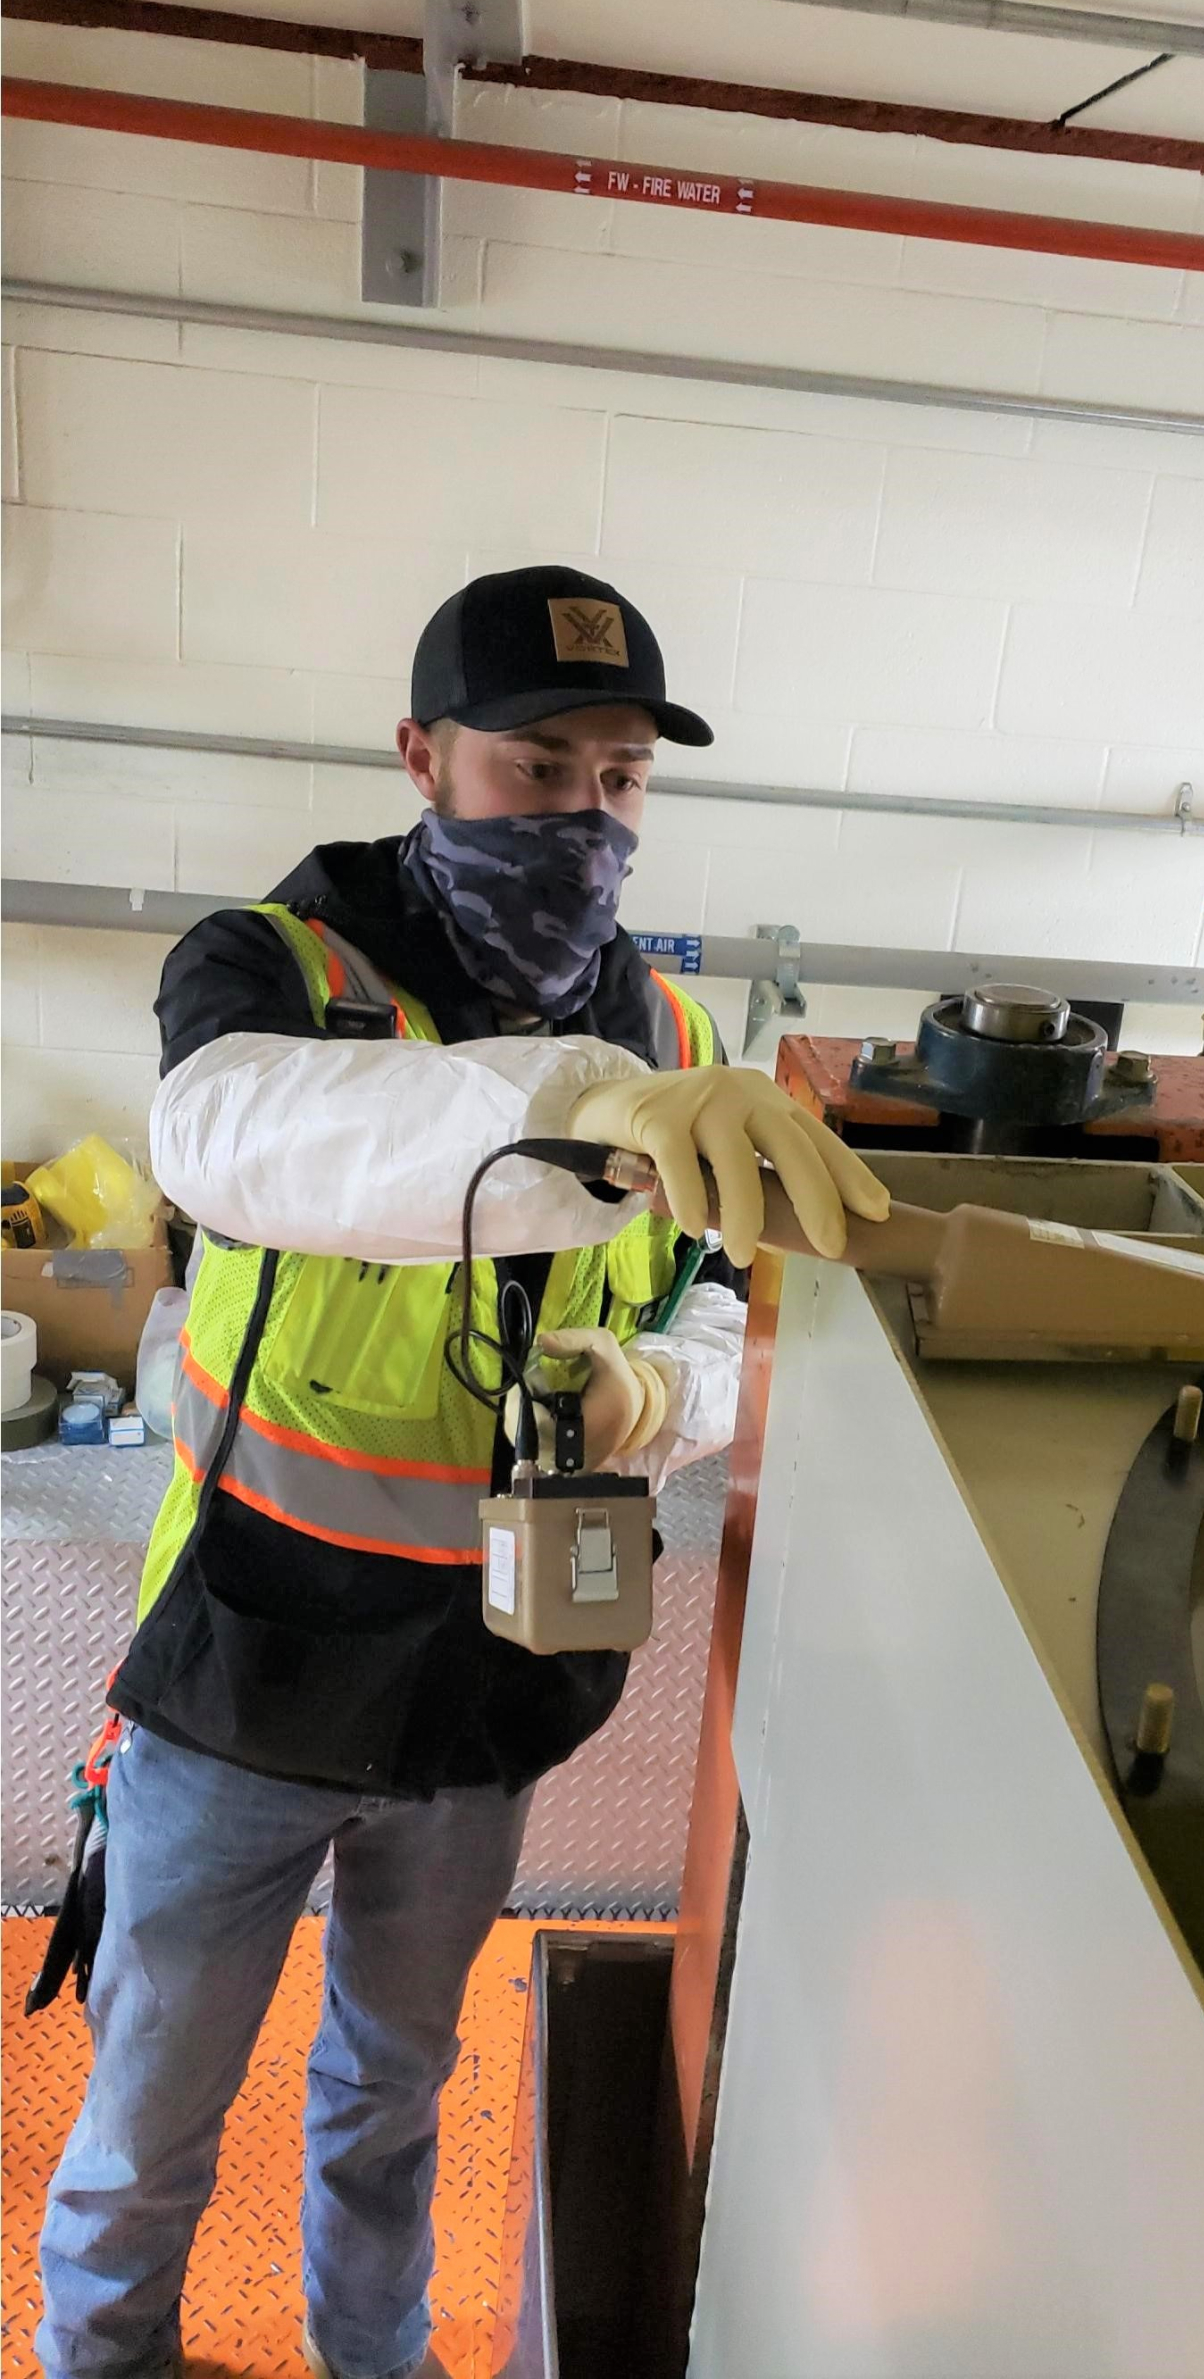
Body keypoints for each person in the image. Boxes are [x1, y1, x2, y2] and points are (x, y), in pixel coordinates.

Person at [37, 565, 887, 2379]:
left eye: (622, 775)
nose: (585, 814)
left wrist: (660, 1392)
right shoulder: (277, 969)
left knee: (396, 2093)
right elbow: (229, 1140)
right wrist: (556, 1102)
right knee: (150, 2114)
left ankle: (378, 2359)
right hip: (248, 1665)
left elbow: (734, 1306)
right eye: (536, 768)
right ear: (421, 755)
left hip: (491, 1683)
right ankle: (107, 2360)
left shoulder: (680, 1044)